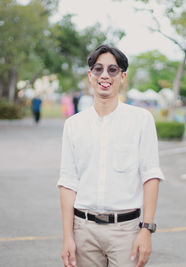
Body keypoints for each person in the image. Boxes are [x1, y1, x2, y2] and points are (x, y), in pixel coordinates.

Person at [57, 44, 164, 267]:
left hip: (126, 231)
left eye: (112, 70)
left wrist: (147, 229)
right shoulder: (73, 125)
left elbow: (150, 176)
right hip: (84, 230)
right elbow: (68, 183)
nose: (105, 75)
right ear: (90, 75)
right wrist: (68, 236)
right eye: (98, 69)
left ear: (123, 76)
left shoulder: (141, 120)